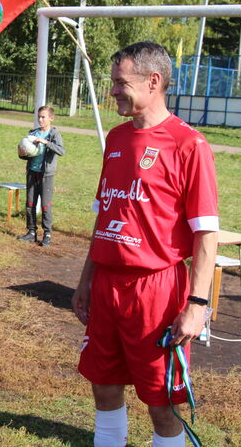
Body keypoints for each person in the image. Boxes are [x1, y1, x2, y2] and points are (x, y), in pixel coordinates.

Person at [71, 42, 218, 447]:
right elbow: (106, 216)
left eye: (121, 82)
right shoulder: (116, 139)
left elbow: (206, 234)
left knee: (160, 400)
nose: (113, 91)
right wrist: (86, 280)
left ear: (154, 82)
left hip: (156, 289)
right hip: (106, 284)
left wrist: (197, 305)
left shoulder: (190, 145)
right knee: (102, 382)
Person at [17, 105, 65, 247]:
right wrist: (22, 153)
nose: (40, 119)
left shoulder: (54, 134)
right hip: (32, 172)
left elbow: (61, 151)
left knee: (45, 205)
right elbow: (26, 154)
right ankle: (31, 232)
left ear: (51, 118)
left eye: (43, 117)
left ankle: (47, 234)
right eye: (39, 117)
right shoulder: (33, 133)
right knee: (30, 203)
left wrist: (46, 142)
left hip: (46, 175)